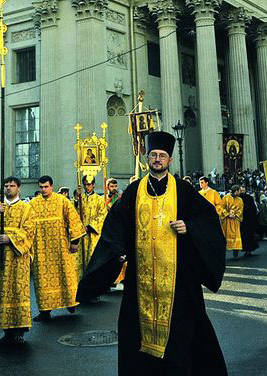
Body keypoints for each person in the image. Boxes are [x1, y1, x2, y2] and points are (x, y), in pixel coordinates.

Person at [77, 131, 227, 374]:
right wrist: (119, 251)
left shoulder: (183, 190)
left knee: (182, 335)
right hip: (140, 279)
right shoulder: (134, 192)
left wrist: (189, 227)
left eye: (162, 155)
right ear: (147, 158)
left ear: (169, 160)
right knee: (137, 338)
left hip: (178, 279)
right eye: (154, 155)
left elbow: (208, 220)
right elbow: (114, 227)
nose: (157, 159)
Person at [0, 176, 35, 344]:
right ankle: (5, 328)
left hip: (17, 256)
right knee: (0, 289)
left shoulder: (26, 208)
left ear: (19, 188)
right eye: (6, 185)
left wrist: (11, 238)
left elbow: (29, 231)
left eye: (12, 185)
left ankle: (19, 328)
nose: (8, 188)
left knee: (16, 290)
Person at [30, 175, 85, 319]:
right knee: (42, 280)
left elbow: (74, 220)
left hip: (60, 247)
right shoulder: (32, 204)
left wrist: (75, 242)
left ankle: (70, 303)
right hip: (40, 249)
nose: (43, 189)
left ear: (52, 186)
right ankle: (44, 311)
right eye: (41, 187)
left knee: (66, 275)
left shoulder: (62, 201)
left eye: (46, 187)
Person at [78, 174, 108, 278]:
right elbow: (74, 213)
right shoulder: (79, 198)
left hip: (93, 234)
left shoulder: (99, 199)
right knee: (80, 260)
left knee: (92, 258)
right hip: (81, 233)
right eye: (85, 185)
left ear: (94, 185)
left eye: (89, 184)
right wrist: (77, 201)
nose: (87, 187)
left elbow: (102, 215)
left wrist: (90, 226)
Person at [237, 185, 259, 255]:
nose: (242, 192)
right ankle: (246, 249)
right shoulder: (238, 198)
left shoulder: (249, 198)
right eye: (241, 190)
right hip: (242, 220)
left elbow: (253, 209)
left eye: (243, 190)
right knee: (244, 236)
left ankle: (248, 250)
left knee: (249, 236)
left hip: (248, 220)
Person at [221, 186, 243, 257]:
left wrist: (236, 215)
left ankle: (235, 253)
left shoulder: (240, 200)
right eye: (239, 190)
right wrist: (227, 214)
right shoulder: (225, 197)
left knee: (237, 237)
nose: (240, 192)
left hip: (235, 221)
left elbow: (240, 210)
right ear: (236, 191)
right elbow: (221, 207)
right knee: (226, 236)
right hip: (227, 221)